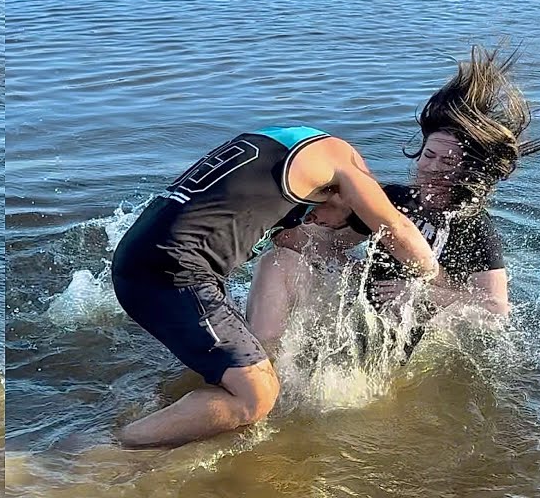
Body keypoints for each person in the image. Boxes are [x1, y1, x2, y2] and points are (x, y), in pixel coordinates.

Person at [111, 127, 436, 449]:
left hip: (140, 256)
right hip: (174, 272)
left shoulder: (283, 147)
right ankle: (109, 450)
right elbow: (397, 226)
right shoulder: (340, 162)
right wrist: (428, 276)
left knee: (238, 370)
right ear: (345, 194)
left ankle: (171, 419)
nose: (316, 221)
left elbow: (293, 242)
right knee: (258, 396)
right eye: (339, 219)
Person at [246, 46, 540, 353]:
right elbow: (330, 243)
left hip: (418, 322)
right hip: (362, 305)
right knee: (276, 262)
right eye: (428, 155)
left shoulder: (473, 225)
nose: (432, 169)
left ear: (468, 172)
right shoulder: (396, 199)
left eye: (448, 162)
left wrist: (421, 294)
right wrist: (270, 231)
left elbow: (495, 309)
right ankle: (262, 364)